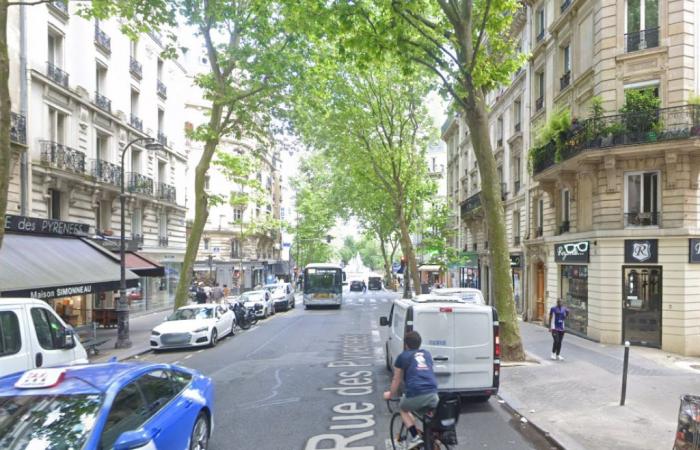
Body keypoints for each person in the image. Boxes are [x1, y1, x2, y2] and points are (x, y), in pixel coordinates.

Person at [383, 331, 439, 449]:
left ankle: (415, 437)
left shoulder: (403, 356)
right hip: (433, 393)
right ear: (419, 343)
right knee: (424, 414)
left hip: (415, 392)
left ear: (406, 344)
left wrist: (390, 394)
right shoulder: (426, 354)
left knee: (404, 409)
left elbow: (396, 379)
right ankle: (432, 440)